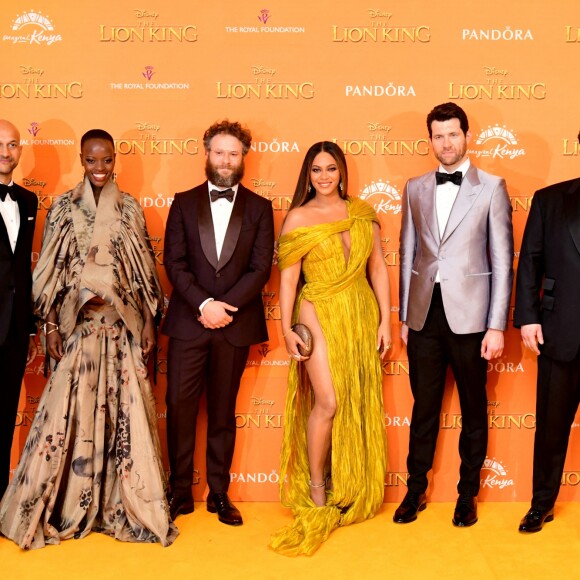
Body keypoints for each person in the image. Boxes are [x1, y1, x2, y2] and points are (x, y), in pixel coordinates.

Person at [0, 129, 177, 549]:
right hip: (77, 330)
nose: (100, 168)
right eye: (92, 160)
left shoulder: (131, 208)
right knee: (68, 418)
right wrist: (50, 326)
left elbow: (143, 272)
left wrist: (149, 321)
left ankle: (119, 504)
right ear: (81, 159)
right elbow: (49, 270)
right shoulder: (61, 207)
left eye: (107, 160)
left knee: (125, 419)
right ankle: (68, 503)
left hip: (122, 329)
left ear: (115, 160)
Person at [270, 141, 390, 556]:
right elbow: (288, 281)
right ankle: (317, 484)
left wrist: (387, 321)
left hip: (359, 310)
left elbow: (377, 268)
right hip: (317, 307)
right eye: (317, 170)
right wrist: (286, 329)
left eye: (331, 169)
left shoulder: (361, 214)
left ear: (342, 172)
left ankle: (351, 480)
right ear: (308, 175)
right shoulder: (298, 218)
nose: (324, 176)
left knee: (355, 398)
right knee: (329, 400)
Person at [396, 102, 513, 527]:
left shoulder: (493, 187)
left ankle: (467, 495)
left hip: (472, 319)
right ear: (430, 140)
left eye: (452, 134)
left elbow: (503, 261)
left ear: (467, 136)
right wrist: (406, 317)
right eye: (438, 136)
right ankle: (414, 491)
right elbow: (408, 253)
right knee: (423, 407)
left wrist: (496, 324)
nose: (445, 143)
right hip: (425, 316)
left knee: (473, 409)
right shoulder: (415, 187)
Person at [163, 120, 274, 526]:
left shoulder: (260, 208)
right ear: (206, 153)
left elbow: (261, 269)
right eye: (219, 152)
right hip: (189, 323)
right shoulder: (183, 202)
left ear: (243, 157)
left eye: (233, 153)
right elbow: (173, 262)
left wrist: (223, 307)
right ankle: (178, 493)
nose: (225, 160)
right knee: (178, 407)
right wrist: (204, 303)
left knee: (224, 412)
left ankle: (220, 494)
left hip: (234, 324)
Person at [514, 130, 580, 533]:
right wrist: (528, 316)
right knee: (551, 429)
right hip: (561, 335)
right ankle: (541, 504)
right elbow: (530, 262)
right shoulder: (550, 199)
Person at [0, 120, 37, 499]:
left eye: (12, 145)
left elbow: (20, 266)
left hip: (14, 328)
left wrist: (29, 323)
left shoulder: (28, 201)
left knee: (5, 417)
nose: (5, 153)